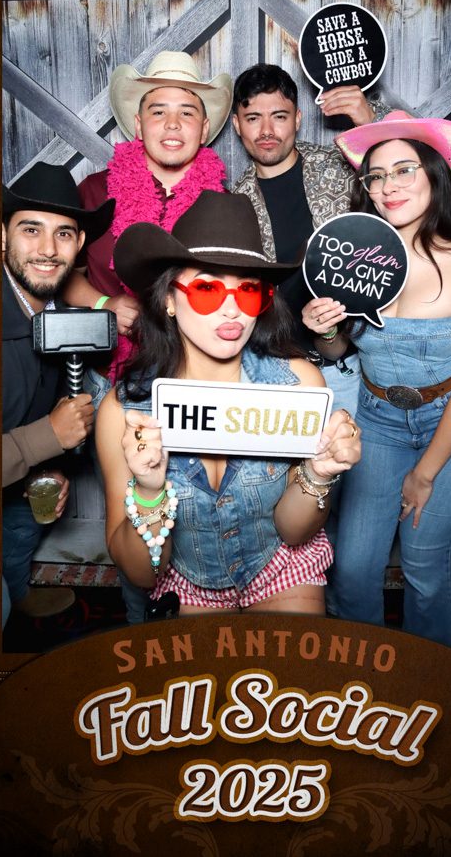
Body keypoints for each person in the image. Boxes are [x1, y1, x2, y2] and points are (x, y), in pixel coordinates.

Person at [95, 191, 361, 618]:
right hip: (187, 581)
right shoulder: (126, 412)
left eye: (249, 291)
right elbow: (142, 573)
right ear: (168, 299)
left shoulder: (298, 385)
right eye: (207, 289)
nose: (233, 310)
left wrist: (318, 472)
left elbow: (294, 533)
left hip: (279, 567)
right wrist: (148, 491)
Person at [302, 111, 451, 648]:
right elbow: (342, 350)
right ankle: (362, 680)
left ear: (435, 175)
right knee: (352, 568)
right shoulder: (353, 258)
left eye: (403, 170)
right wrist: (325, 330)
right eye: (376, 176)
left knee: (422, 555)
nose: (388, 186)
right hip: (380, 420)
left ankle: (432, 679)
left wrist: (425, 474)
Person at [63, 50, 232, 379]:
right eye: (159, 111)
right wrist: (104, 304)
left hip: (192, 375)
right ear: (139, 125)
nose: (172, 124)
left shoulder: (223, 204)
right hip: (108, 375)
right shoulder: (95, 192)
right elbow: (59, 275)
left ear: (203, 129)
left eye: (186, 112)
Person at [1, 162, 114, 626]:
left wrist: (48, 460)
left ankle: (16, 591)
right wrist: (45, 437)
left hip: (17, 482)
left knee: (27, 510)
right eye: (31, 230)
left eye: (63, 234)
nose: (48, 249)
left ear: (80, 243)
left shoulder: (61, 314)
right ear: (1, 235)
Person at [231, 63, 374, 415]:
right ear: (236, 125)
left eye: (279, 116)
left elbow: (420, 173)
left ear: (297, 119)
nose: (267, 130)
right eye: (253, 118)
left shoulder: (342, 167)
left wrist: (370, 119)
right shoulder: (235, 202)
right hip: (270, 372)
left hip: (343, 368)